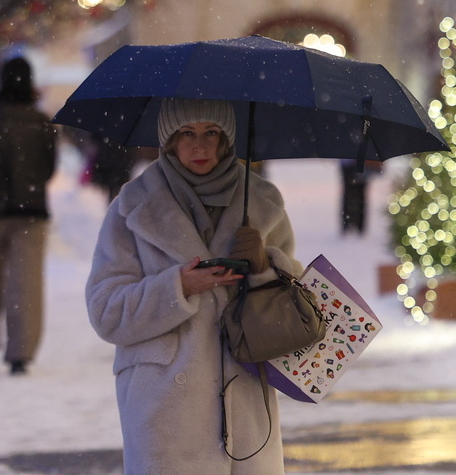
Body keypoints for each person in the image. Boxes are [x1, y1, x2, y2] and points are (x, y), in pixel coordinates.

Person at [85, 98, 302, 474]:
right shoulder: (132, 208)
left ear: (227, 139)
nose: (199, 146)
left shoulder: (263, 206)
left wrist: (267, 267)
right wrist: (178, 287)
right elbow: (106, 311)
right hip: (164, 403)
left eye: (211, 133)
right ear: (169, 140)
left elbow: (298, 303)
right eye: (186, 133)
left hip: (245, 400)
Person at [0, 56, 57, 375]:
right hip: (30, 212)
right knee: (26, 282)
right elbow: (48, 169)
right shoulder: (41, 121)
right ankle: (20, 353)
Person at [339, 158, 382, 235]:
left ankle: (355, 224)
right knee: (355, 195)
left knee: (355, 194)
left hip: (357, 163)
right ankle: (352, 223)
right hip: (354, 163)